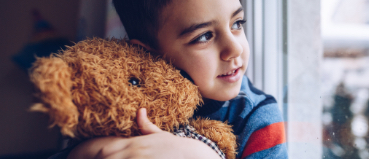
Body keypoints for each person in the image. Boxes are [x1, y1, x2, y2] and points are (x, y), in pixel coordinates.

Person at [52, 0, 287, 158]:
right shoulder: (124, 103)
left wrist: (201, 154)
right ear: (151, 53)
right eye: (205, 36)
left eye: (237, 23)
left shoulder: (258, 116)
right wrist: (89, 150)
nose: (234, 48)